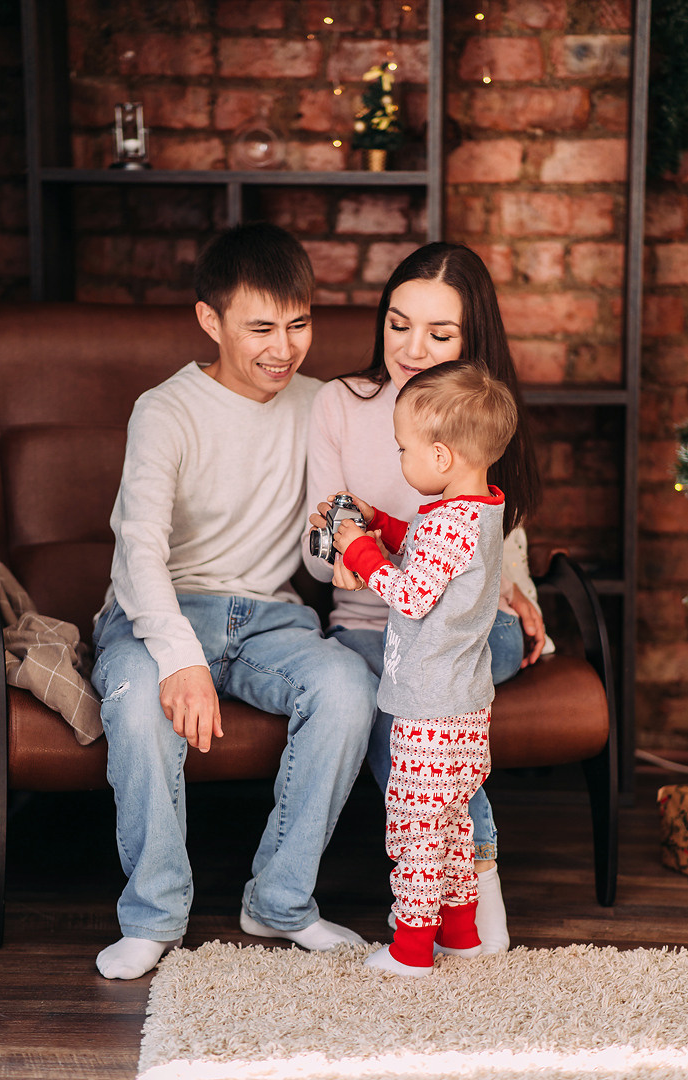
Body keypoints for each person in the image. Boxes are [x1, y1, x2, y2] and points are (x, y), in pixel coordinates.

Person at [90, 222, 377, 980]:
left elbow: (346, 514)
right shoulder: (165, 410)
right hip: (159, 611)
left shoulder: (324, 405)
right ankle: (153, 914)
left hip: (270, 617)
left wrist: (343, 544)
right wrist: (178, 655)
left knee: (349, 688)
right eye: (260, 328)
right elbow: (138, 550)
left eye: (298, 324)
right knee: (134, 699)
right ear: (209, 321)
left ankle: (280, 903)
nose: (283, 348)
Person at [303, 242, 551, 955]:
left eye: (439, 335)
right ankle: (475, 875)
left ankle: (427, 915)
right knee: (416, 713)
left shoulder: (478, 410)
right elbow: (318, 545)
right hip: (372, 624)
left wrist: (513, 586)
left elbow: (496, 542)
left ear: (472, 342)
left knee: (421, 704)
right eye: (397, 324)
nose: (412, 348)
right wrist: (344, 550)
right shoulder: (339, 404)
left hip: (456, 630)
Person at [332, 360, 518, 977]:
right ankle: (461, 936)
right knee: (452, 826)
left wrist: (358, 548)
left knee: (415, 833)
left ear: (441, 457)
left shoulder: (446, 526)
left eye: (404, 448)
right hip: (466, 709)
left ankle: (410, 951)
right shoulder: (480, 513)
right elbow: (426, 541)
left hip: (428, 710)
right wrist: (381, 524)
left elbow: (412, 592)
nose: (400, 459)